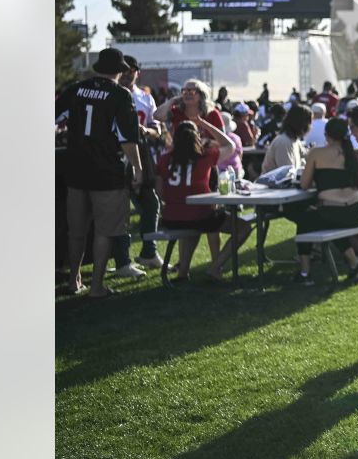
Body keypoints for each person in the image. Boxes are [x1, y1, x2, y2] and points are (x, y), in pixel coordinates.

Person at [56, 48, 145, 297]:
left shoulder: (75, 89)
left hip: (75, 171)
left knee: (76, 231)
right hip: (107, 173)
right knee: (105, 231)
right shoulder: (120, 95)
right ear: (121, 70)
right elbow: (128, 139)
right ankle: (96, 286)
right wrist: (138, 167)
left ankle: (74, 281)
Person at [157, 120, 251, 281]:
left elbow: (160, 192)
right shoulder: (205, 156)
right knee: (243, 227)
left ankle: (183, 272)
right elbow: (230, 146)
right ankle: (216, 267)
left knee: (192, 224)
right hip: (199, 215)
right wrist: (204, 123)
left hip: (171, 217)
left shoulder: (165, 159)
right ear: (197, 138)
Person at [288, 118, 358, 284]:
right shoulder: (352, 154)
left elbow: (304, 185)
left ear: (326, 135)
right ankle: (355, 264)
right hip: (357, 211)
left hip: (334, 211)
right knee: (331, 222)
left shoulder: (316, 153)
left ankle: (305, 273)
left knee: (304, 221)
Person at [119, 54, 164, 271]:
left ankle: (149, 252)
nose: (128, 74)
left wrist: (145, 130)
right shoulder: (111, 94)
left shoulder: (146, 98)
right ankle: (121, 259)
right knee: (118, 209)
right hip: (114, 156)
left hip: (140, 154)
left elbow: (158, 130)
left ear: (138, 72)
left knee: (151, 203)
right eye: (124, 70)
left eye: (132, 70)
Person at [153, 78, 224, 133]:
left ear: (202, 95)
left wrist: (208, 142)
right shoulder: (176, 112)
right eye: (184, 91)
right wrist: (173, 100)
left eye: (192, 91)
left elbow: (224, 140)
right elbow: (157, 116)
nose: (187, 94)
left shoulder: (213, 114)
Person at [262, 104, 312, 173]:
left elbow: (305, 154)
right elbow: (288, 173)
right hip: (273, 183)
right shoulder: (284, 142)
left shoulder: (294, 140)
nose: (311, 127)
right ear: (302, 123)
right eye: (309, 123)